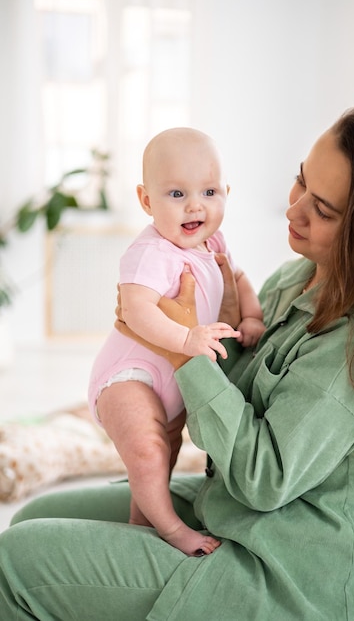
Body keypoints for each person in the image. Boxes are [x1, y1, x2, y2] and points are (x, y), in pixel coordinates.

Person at [1, 102, 354, 620]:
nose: (294, 210)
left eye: (324, 209)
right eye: (300, 180)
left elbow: (263, 479)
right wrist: (213, 330)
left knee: (12, 564)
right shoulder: (293, 280)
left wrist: (180, 351)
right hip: (232, 510)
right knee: (37, 515)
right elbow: (233, 405)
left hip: (278, 565)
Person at [88, 127, 265, 556]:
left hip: (172, 383)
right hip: (131, 378)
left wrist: (251, 316)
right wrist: (187, 337)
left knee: (163, 458)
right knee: (148, 454)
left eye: (208, 191)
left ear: (226, 192)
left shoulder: (214, 243)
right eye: (175, 194)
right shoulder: (152, 253)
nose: (194, 205)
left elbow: (235, 277)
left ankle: (141, 528)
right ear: (146, 201)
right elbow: (136, 310)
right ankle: (171, 530)